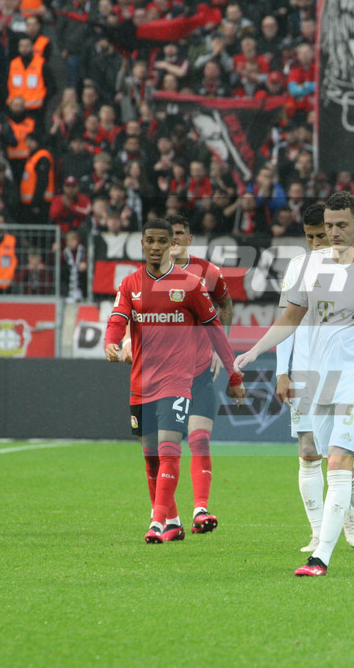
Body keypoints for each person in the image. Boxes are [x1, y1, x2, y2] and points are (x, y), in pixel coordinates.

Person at [234, 191, 354, 576]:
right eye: (329, 226)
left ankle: (319, 556)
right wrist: (254, 353)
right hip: (317, 381)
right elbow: (289, 320)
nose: (334, 232)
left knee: (338, 463)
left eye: (342, 225)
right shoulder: (308, 268)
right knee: (343, 468)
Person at [104, 218, 245, 543]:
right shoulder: (130, 284)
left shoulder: (194, 282)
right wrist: (111, 342)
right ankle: (173, 521)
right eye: (149, 241)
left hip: (181, 380)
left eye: (162, 241)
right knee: (151, 457)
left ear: (174, 244)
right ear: (142, 244)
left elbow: (215, 326)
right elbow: (117, 319)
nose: (156, 247)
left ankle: (163, 521)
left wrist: (232, 373)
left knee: (176, 448)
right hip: (142, 382)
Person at [274, 203, 354, 552]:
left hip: (345, 372)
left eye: (320, 235)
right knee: (308, 451)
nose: (316, 242)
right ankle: (317, 531)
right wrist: (282, 372)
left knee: (342, 455)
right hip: (306, 373)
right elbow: (286, 323)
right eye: (310, 236)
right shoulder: (298, 269)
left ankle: (350, 510)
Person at [164, 214, 235, 534]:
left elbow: (226, 305)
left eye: (180, 233)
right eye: (170, 235)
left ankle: (201, 510)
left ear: (189, 239)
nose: (175, 239)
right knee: (165, 449)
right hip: (165, 376)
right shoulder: (151, 276)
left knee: (200, 440)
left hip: (201, 371)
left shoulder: (208, 272)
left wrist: (223, 347)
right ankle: (169, 518)